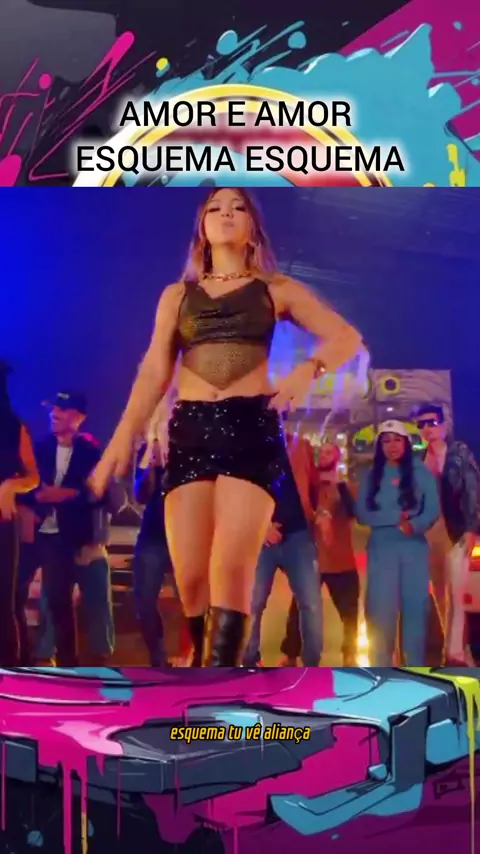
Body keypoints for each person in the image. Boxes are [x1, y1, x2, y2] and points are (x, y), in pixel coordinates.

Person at [89, 188, 364, 666]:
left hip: (250, 427)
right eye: (215, 207)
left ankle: (219, 679)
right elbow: (155, 371)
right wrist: (121, 437)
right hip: (191, 430)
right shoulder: (177, 296)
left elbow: (346, 336)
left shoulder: (277, 289)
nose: (226, 213)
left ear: (253, 226)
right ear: (202, 227)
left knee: (230, 568)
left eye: (238, 207)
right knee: (192, 579)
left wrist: (308, 370)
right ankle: (203, 658)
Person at [17, 392, 120, 666]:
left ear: (79, 417)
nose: (54, 414)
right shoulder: (39, 449)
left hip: (69, 538)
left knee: (61, 599)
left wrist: (67, 495)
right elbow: (24, 487)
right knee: (22, 592)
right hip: (36, 533)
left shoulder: (92, 452)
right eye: (53, 409)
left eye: (62, 410)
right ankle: (29, 656)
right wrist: (37, 500)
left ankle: (68, 661)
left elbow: (101, 495)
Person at [356, 420, 440, 666]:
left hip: (413, 548)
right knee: (381, 614)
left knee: (415, 611)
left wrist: (413, 525)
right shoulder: (372, 475)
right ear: (379, 446)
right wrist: (393, 518)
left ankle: (415, 670)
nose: (392, 446)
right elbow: (361, 513)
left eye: (397, 440)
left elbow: (432, 509)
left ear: (406, 443)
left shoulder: (420, 472)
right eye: (386, 441)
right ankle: (381, 671)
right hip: (381, 550)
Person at [242, 420, 321, 667]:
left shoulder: (301, 447)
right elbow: (240, 497)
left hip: (298, 535)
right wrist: (261, 526)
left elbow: (316, 487)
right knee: (252, 603)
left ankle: (312, 664)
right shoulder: (246, 450)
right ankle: (249, 661)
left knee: (310, 603)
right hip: (259, 539)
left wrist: (320, 514)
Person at [279, 441, 360, 667]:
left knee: (349, 612)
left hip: (341, 560)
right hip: (312, 558)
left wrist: (339, 486)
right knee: (300, 608)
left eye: (329, 452)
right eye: (321, 452)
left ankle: (350, 653)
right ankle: (291, 652)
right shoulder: (309, 488)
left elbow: (355, 513)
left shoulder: (345, 487)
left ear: (337, 457)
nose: (324, 456)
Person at [415, 404, 480, 665]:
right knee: (439, 592)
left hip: (456, 530)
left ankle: (456, 653)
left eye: (431, 423)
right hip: (430, 531)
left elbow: (472, 489)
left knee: (457, 592)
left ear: (443, 424)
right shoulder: (421, 459)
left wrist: (472, 527)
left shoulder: (458, 452)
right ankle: (451, 649)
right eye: (421, 424)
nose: (427, 429)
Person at [0, 359, 39, 665]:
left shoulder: (14, 426)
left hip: (2, 521)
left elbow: (33, 477)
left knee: (4, 604)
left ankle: (10, 673)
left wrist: (9, 486)